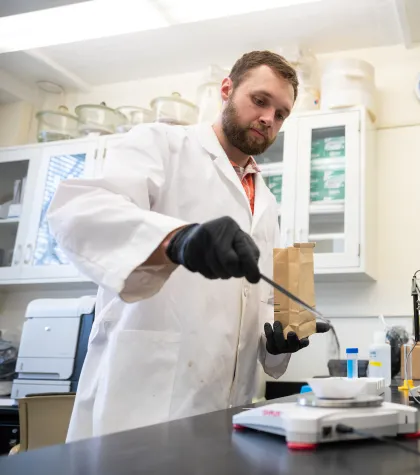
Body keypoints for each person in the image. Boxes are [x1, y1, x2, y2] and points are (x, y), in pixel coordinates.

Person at [48, 51, 328, 442]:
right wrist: (175, 240)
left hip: (230, 412)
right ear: (227, 90)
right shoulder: (161, 143)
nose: (269, 118)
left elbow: (257, 305)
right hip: (144, 405)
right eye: (260, 101)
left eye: (281, 114)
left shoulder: (267, 201)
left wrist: (282, 340)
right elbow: (77, 211)